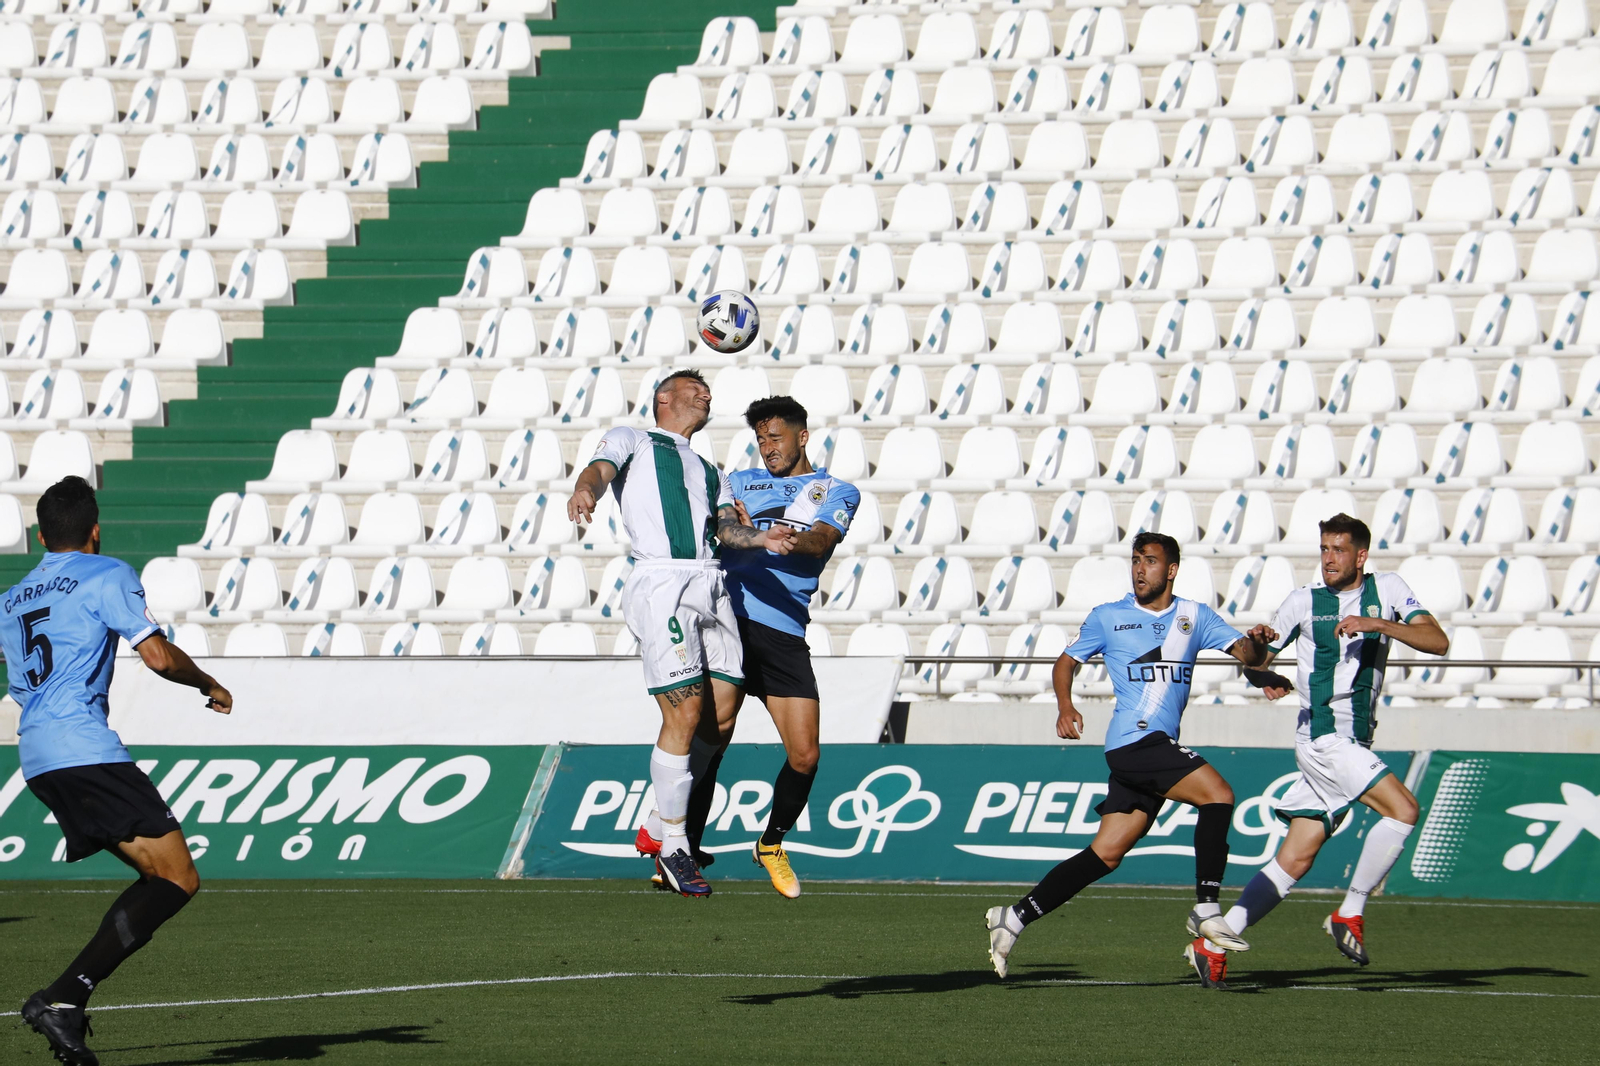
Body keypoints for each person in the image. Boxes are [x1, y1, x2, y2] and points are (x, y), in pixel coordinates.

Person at [9, 476, 233, 1066]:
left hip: (36, 755)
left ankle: (67, 1001)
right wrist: (208, 682)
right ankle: (63, 997)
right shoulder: (106, 573)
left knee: (161, 877)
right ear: (95, 529)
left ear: (39, 535)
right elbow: (156, 656)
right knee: (178, 878)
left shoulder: (12, 597)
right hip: (85, 750)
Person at [984, 533, 1274, 986]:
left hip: (1151, 748)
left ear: (1171, 570)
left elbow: (1248, 656)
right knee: (1218, 795)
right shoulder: (1108, 616)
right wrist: (1065, 704)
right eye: (1136, 560)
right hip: (1134, 743)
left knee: (1106, 854)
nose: (1140, 570)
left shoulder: (1195, 616)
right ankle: (1207, 909)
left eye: (1151, 562)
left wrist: (1258, 645)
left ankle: (1014, 918)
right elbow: (1064, 664)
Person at [1191, 513, 1448, 985]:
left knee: (1298, 855)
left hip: (1353, 740)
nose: (1329, 559)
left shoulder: (1388, 589)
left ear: (1361, 555)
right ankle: (1349, 913)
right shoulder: (1302, 602)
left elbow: (1437, 641)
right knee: (1404, 810)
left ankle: (1211, 943)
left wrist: (1377, 624)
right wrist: (1259, 657)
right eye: (1324, 549)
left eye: (1339, 550)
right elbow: (1254, 664)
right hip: (1323, 737)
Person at [567, 370, 793, 897]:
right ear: (663, 398)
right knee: (684, 714)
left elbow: (722, 529)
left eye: (708, 389)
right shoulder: (634, 438)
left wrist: (761, 538)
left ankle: (654, 819)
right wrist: (584, 488)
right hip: (662, 582)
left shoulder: (709, 469)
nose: (706, 393)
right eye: (695, 386)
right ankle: (673, 846)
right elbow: (599, 470)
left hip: (711, 584)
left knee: (721, 718)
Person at [681, 395, 859, 899]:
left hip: (784, 633)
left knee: (805, 756)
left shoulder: (836, 490)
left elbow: (821, 541)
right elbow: (725, 529)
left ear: (802, 436)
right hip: (731, 622)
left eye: (775, 437)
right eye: (760, 438)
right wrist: (758, 536)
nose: (767, 447)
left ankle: (771, 842)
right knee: (713, 739)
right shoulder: (738, 481)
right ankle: (683, 847)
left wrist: (783, 539)